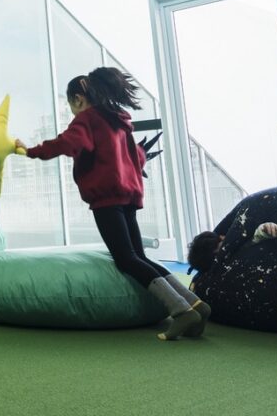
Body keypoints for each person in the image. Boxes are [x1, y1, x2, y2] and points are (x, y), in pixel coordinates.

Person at [16, 67, 209, 341]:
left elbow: (68, 143)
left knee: (126, 259)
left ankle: (180, 311)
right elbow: (137, 157)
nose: (72, 111)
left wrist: (30, 151)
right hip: (129, 196)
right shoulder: (119, 121)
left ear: (78, 99)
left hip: (107, 198)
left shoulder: (88, 119)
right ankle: (196, 305)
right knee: (139, 257)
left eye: (71, 105)